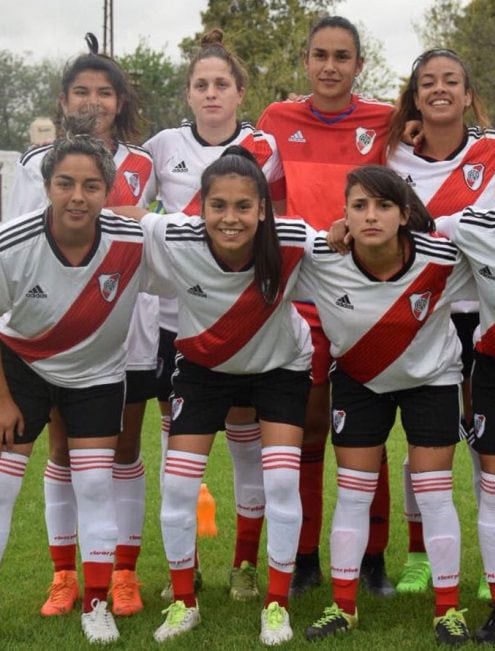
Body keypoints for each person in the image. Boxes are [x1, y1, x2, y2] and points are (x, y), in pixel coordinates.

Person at [7, 37, 156, 619]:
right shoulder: (30, 165)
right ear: (64, 99)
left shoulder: (144, 162)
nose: (92, 101)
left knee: (121, 449)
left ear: (120, 101)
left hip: (124, 328)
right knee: (64, 453)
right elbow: (20, 239)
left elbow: (163, 232)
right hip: (49, 329)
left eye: (104, 92)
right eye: (80, 91)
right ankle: (65, 575)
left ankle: (122, 573)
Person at [141, 146, 311, 645]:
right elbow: (129, 220)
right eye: (218, 205)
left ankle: (276, 605)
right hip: (204, 367)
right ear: (201, 206)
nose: (230, 218)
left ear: (262, 208)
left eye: (243, 206)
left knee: (280, 482)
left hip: (279, 367)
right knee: (177, 488)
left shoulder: (295, 240)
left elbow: (351, 249)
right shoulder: (175, 234)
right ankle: (182, 603)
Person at [302, 165, 473, 645]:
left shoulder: (442, 257)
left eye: (383, 206)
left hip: (432, 381)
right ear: (344, 215)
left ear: (404, 215)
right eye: (359, 206)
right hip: (359, 380)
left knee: (435, 494)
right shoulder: (319, 256)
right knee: (354, 493)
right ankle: (342, 606)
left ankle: (447, 610)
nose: (370, 216)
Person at [143, 29, 284, 601]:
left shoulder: (266, 147)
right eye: (200, 84)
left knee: (248, 446)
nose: (210, 93)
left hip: (245, 320)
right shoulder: (160, 146)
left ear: (239, 91)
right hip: (177, 322)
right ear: (188, 93)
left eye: (221, 83)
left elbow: (280, 221)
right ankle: (189, 563)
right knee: (180, 448)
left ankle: (245, 566)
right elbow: (133, 212)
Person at [257, 15, 395, 596]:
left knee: (366, 428)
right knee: (310, 427)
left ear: (359, 65)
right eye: (321, 55)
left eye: (343, 56)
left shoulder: (386, 120)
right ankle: (307, 555)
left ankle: (372, 558)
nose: (331, 66)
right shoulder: (276, 120)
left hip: (368, 294)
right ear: (306, 61)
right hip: (305, 294)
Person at [387, 47, 495, 598]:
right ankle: (417, 554)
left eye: (451, 81)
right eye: (428, 82)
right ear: (414, 95)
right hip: (419, 315)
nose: (440, 89)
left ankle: (491, 563)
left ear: (467, 93)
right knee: (425, 443)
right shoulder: (392, 158)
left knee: (488, 440)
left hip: (484, 314)